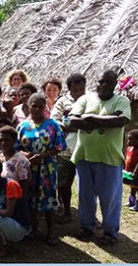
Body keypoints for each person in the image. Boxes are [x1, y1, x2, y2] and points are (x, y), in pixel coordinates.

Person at [69, 69, 131, 246]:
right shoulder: (85, 99)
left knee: (110, 198)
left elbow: (120, 121)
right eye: (101, 81)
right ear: (96, 82)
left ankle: (110, 232)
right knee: (86, 195)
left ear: (115, 84)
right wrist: (106, 120)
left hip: (109, 157)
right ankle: (87, 227)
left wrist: (89, 117)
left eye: (108, 82)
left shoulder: (121, 100)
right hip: (84, 156)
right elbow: (73, 121)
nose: (104, 85)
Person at [16, 93, 66, 246]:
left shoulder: (53, 125)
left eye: (40, 106)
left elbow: (60, 146)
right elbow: (16, 147)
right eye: (33, 106)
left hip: (47, 168)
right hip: (28, 167)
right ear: (28, 107)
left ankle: (51, 232)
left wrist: (42, 155)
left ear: (45, 107)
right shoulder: (22, 126)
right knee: (29, 197)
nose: (37, 109)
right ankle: (33, 229)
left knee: (49, 198)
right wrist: (26, 154)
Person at [50, 73, 86, 224]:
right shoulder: (62, 102)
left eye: (81, 90)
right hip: (66, 150)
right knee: (64, 183)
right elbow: (54, 121)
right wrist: (70, 126)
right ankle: (66, 211)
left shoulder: (91, 100)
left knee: (87, 185)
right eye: (75, 90)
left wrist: (75, 124)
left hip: (86, 149)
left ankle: (88, 215)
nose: (78, 93)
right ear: (69, 88)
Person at [0, 126, 30, 196]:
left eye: (7, 140)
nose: (3, 143)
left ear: (14, 141)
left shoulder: (21, 161)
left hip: (13, 198)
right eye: (1, 140)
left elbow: (24, 186)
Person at [123, 129, 138, 212]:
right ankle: (131, 202)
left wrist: (135, 172)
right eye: (128, 139)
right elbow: (126, 158)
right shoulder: (129, 148)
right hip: (128, 172)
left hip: (136, 173)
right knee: (132, 187)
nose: (128, 141)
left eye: (131, 139)